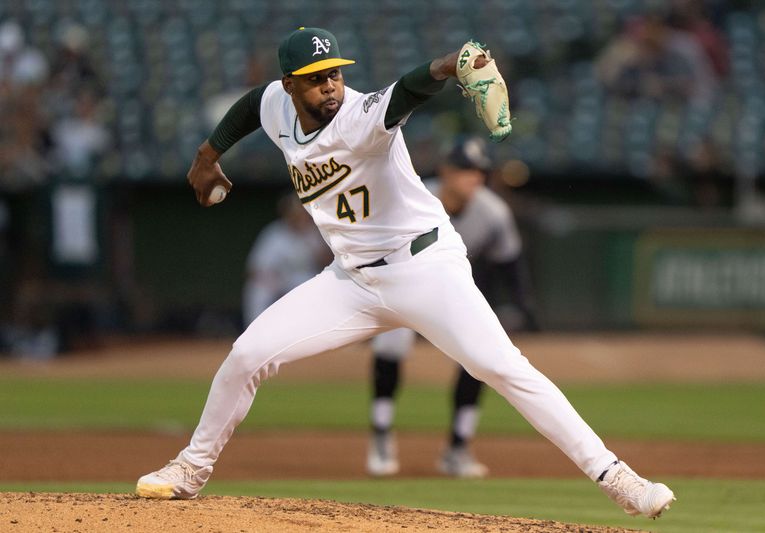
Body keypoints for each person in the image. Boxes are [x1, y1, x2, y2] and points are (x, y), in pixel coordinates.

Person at [136, 27, 676, 519]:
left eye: (336, 73)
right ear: (290, 84)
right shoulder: (278, 103)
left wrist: (447, 64)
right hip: (350, 282)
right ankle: (190, 470)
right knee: (247, 354)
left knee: (503, 367)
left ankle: (619, 480)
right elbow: (255, 105)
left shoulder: (361, 115)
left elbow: (408, 91)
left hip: (424, 268)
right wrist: (208, 154)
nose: (330, 86)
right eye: (317, 79)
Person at [367, 136, 537, 478]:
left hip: (453, 293)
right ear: (446, 172)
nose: (474, 178)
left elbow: (510, 264)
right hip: (403, 284)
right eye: (465, 171)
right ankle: (381, 435)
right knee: (390, 347)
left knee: (480, 356)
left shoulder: (493, 213)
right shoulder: (415, 197)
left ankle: (458, 448)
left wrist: (524, 306)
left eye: (479, 172)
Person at [242, 192, 330, 326]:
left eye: (300, 212)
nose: (298, 216)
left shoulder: (313, 232)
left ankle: (308, 329)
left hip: (303, 278)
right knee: (258, 290)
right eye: (294, 212)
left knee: (307, 284)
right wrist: (271, 280)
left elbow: (327, 263)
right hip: (277, 278)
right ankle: (253, 330)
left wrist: (307, 242)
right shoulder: (274, 232)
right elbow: (254, 269)